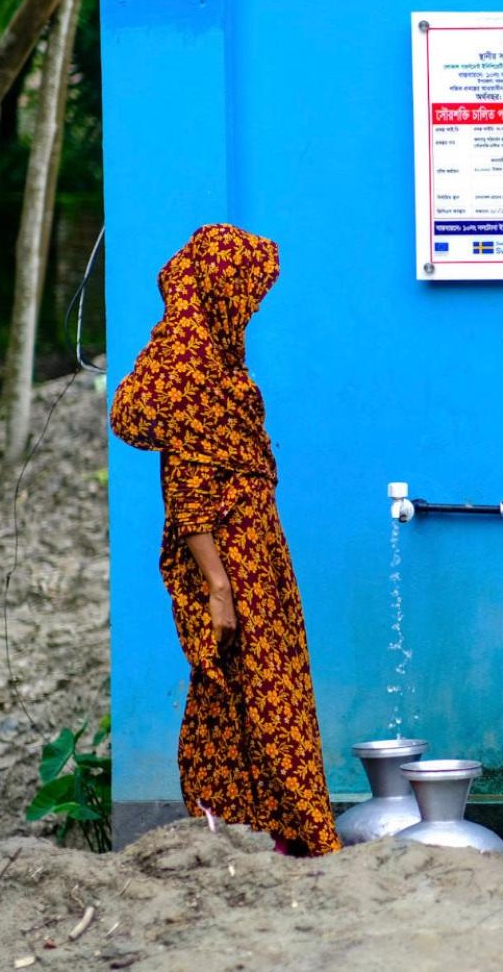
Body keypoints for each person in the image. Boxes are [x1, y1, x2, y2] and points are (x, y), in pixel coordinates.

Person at [111, 224, 340, 856]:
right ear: (222, 289)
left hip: (256, 553)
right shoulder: (194, 370)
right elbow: (188, 494)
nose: (256, 304)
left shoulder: (214, 355)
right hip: (235, 564)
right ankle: (297, 835)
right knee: (268, 698)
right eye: (251, 290)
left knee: (247, 694)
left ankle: (245, 831)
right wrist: (219, 588)